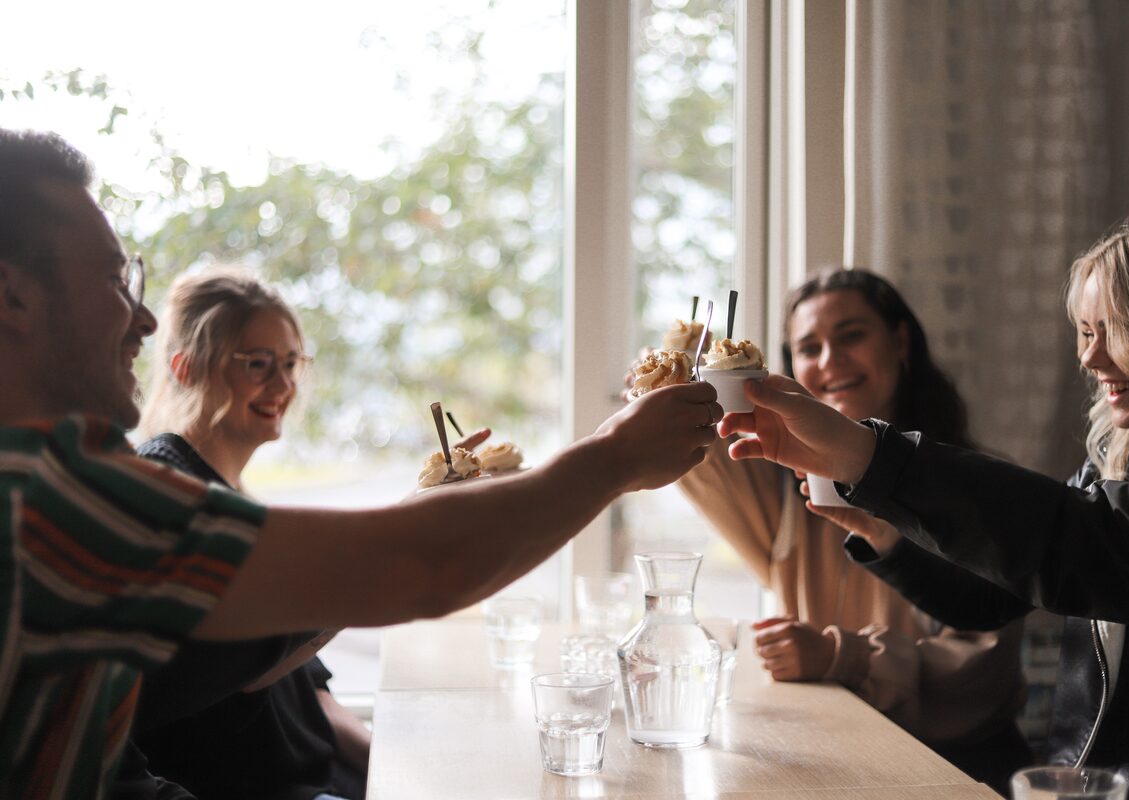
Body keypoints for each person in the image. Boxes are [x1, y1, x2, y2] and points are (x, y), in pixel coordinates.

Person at [0, 127, 720, 798]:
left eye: (291, 364)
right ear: (13, 297)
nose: (143, 318)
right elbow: (417, 567)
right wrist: (618, 455)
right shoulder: (46, 494)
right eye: (113, 280)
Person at [716, 212, 1129, 799]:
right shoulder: (1117, 465)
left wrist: (867, 457)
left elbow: (1098, 553)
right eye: (1084, 330)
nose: (1089, 359)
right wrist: (887, 534)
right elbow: (989, 596)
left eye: (1113, 328)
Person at [674, 269, 1029, 789]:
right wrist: (679, 373)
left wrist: (838, 656)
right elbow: (694, 454)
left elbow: (980, 671)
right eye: (809, 348)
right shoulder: (787, 489)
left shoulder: (973, 484)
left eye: (852, 336)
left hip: (954, 772)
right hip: (831, 763)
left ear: (900, 341)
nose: (830, 362)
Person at [125, 269, 385, 799]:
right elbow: (249, 671)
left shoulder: (238, 502)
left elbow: (317, 700)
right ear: (185, 368)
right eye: (258, 364)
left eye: (290, 363)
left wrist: (396, 775)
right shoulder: (169, 492)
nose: (284, 384)